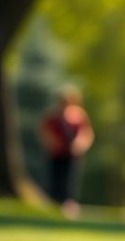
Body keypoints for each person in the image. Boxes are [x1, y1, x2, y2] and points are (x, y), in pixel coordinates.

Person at [39, 87, 94, 216]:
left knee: (69, 179)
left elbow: (86, 132)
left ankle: (68, 203)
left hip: (71, 154)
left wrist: (80, 144)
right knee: (54, 177)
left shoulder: (78, 115)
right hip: (56, 152)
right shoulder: (52, 115)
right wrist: (52, 142)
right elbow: (44, 131)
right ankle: (53, 202)